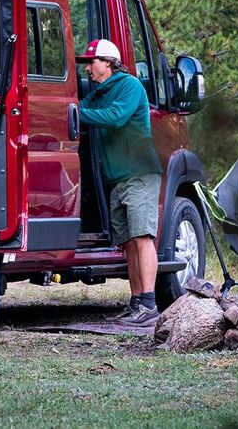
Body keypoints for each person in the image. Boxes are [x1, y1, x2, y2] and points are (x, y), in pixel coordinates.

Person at [76, 38, 165, 326]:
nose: (88, 68)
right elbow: (79, 108)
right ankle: (137, 302)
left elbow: (115, 118)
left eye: (92, 62)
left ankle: (150, 305)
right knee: (127, 243)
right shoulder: (98, 93)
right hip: (117, 178)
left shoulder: (129, 86)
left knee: (142, 237)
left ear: (109, 63)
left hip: (139, 173)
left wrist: (76, 113)